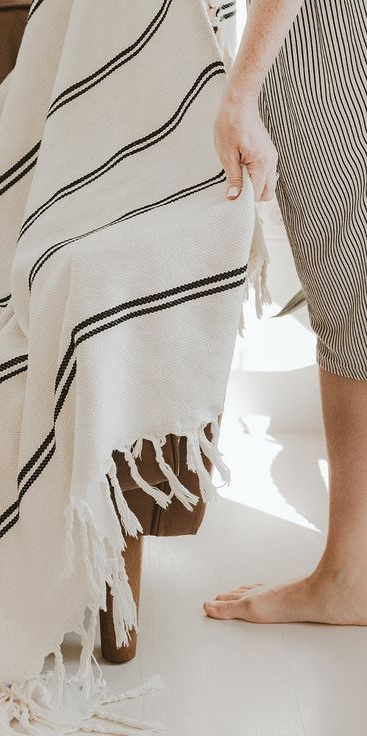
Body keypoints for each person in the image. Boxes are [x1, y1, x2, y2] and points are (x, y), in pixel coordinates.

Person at [203, 0, 367, 625]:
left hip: (333, 34)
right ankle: (350, 571)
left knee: (351, 295)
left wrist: (241, 92)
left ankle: (349, 575)